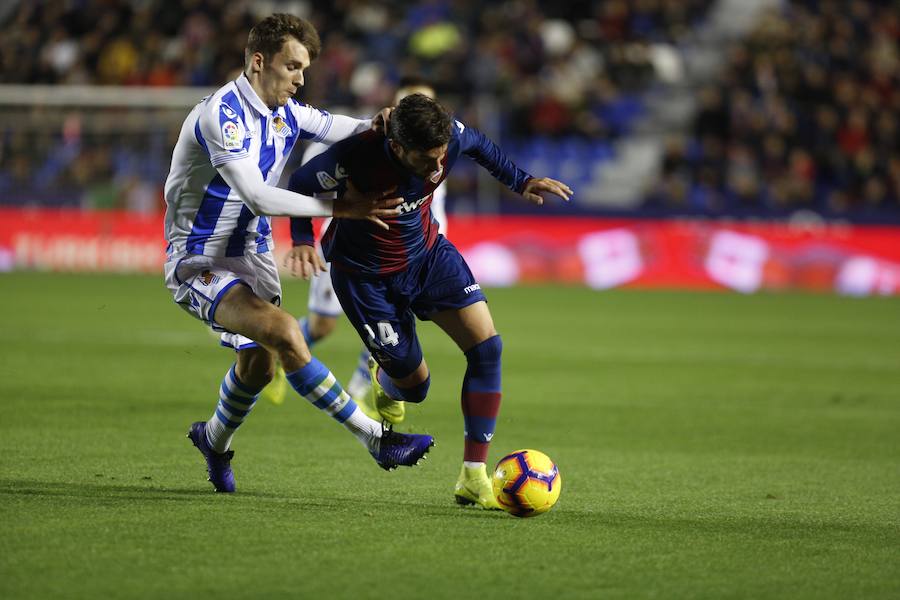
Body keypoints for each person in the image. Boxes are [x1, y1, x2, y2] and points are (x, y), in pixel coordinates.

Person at [163, 14, 434, 493]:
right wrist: (341, 208)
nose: (300, 78)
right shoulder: (222, 115)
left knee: (259, 367)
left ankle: (213, 440)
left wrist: (378, 125)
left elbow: (338, 127)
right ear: (259, 62)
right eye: (292, 67)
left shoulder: (285, 113)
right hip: (199, 261)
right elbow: (259, 198)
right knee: (288, 334)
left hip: (252, 254)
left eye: (304, 68)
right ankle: (377, 439)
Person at [286, 94, 571, 508]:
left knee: (488, 348)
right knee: (415, 387)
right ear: (398, 148)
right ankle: (386, 379)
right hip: (366, 279)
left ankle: (473, 475)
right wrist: (303, 237)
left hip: (428, 257)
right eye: (427, 160)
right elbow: (299, 186)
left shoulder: (448, 140)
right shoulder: (357, 155)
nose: (438, 168)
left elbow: (480, 145)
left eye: (441, 158)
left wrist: (521, 181)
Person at [262, 77, 448, 413]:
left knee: (395, 321)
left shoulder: (438, 146)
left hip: (408, 252)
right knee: (322, 325)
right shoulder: (363, 145)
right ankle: (278, 349)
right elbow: (309, 181)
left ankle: (362, 389)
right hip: (352, 247)